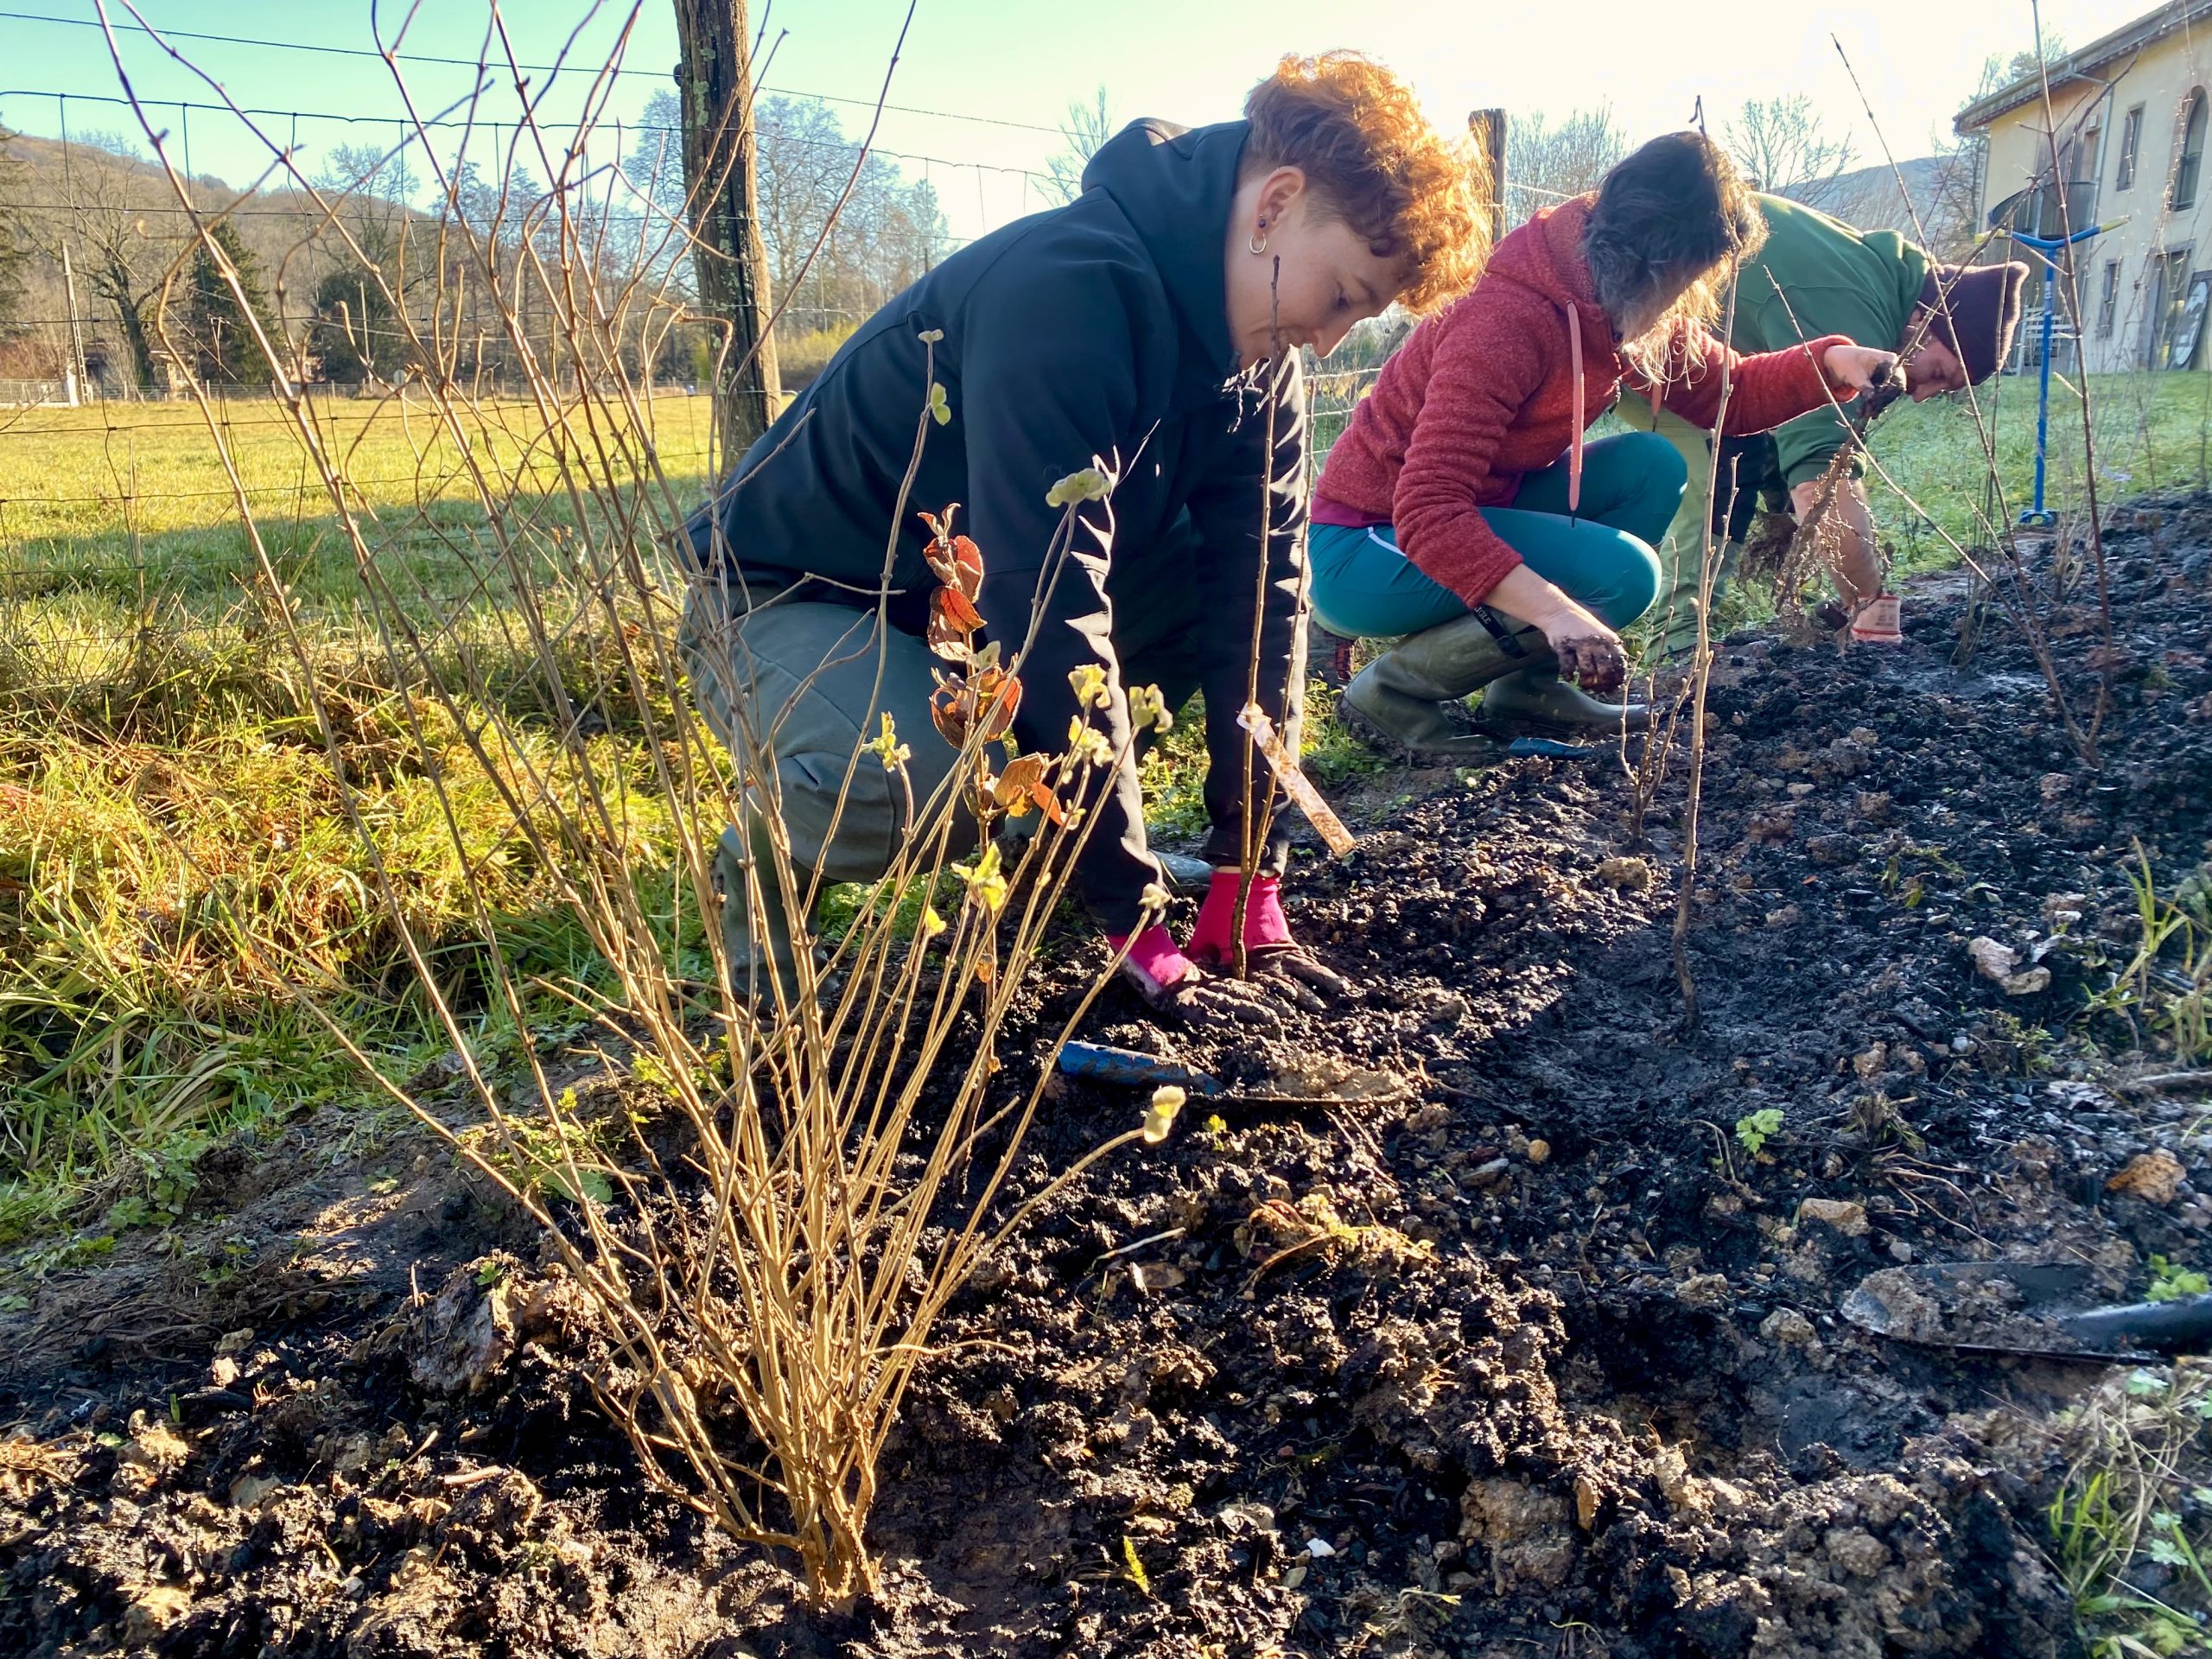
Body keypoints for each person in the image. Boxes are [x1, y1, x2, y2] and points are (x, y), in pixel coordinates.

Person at [680, 53, 1484, 1020]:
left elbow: (1261, 598)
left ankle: (1049, 844)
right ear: (1275, 204)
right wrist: (1132, 909)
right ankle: (767, 874)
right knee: (931, 780)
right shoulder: (1065, 292)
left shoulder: (1261, 359)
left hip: (966, 614)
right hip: (800, 600)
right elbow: (1050, 606)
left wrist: (1248, 865)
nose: (1329, 338)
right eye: (1346, 296)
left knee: (1211, 595)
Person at [1307, 132, 1899, 761]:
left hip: (1467, 511)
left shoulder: (1615, 305)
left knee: (1649, 468)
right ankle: (1391, 694)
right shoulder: (1506, 320)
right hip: (1368, 543)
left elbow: (1730, 394)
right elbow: (1426, 509)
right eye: (1687, 277)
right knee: (1623, 576)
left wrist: (1835, 361)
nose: (1688, 295)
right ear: (1654, 260)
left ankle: (1524, 691)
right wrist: (1558, 613)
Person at [1622, 194, 2027, 654]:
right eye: (1937, 374)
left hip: (1694, 343)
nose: (1921, 394)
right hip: (1626, 332)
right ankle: (1676, 661)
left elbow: (1817, 450)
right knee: (1726, 463)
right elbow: (1823, 484)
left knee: (1763, 449)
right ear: (1923, 319)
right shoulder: (1851, 313)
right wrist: (1873, 608)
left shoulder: (1889, 279)